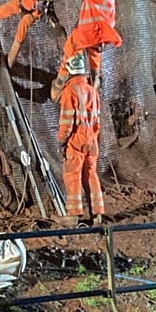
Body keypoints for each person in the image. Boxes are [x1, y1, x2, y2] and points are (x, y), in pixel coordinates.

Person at [55, 0, 122, 90]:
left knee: (70, 53)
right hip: (99, 36)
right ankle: (92, 93)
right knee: (94, 68)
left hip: (88, 33)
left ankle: (57, 89)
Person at [54, 52, 105, 225]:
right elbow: (97, 121)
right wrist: (94, 138)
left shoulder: (70, 91)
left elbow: (67, 121)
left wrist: (62, 140)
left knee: (72, 174)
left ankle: (74, 215)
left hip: (76, 138)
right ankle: (97, 214)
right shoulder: (92, 91)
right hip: (92, 138)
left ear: (69, 71)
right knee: (91, 174)